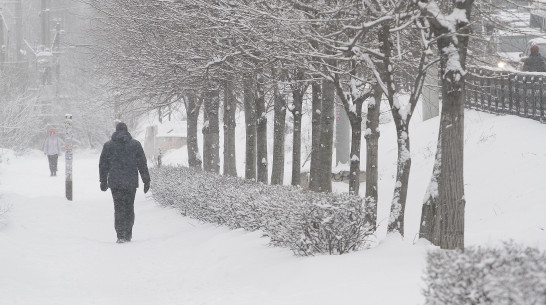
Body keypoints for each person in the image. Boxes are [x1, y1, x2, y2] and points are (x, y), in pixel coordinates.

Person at [99, 122, 150, 244]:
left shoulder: (108, 146)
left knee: (118, 208)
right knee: (129, 207)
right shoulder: (135, 145)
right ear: (127, 131)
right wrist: (146, 180)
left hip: (115, 183)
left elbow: (103, 165)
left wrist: (103, 180)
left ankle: (120, 235)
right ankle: (128, 234)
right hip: (130, 182)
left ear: (115, 131)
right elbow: (142, 163)